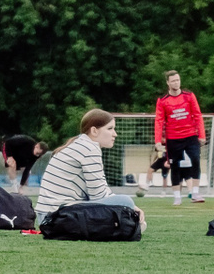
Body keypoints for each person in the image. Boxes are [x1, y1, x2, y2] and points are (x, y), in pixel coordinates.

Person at [33, 108, 145, 232]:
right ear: (94, 131)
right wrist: (131, 206)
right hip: (58, 217)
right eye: (110, 128)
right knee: (125, 201)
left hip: (48, 217)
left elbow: (100, 190)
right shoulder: (89, 148)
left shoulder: (79, 144)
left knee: (125, 206)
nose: (115, 134)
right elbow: (98, 195)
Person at [154, 69, 204, 205]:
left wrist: (201, 135)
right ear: (168, 83)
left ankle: (195, 192)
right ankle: (177, 196)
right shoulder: (163, 101)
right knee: (174, 165)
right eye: (173, 81)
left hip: (191, 135)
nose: (176, 83)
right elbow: (159, 121)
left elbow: (198, 115)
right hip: (173, 138)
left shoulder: (189, 96)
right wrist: (157, 141)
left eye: (178, 80)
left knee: (196, 160)